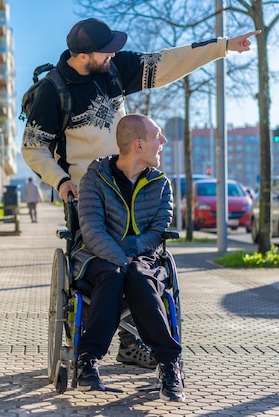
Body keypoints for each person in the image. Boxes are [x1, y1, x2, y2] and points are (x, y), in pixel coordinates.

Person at [21, 17, 259, 368]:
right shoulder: (53, 91)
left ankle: (132, 343)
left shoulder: (113, 69)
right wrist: (60, 180)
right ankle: (87, 337)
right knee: (103, 263)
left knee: (140, 259)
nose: (113, 54)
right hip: (89, 194)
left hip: (129, 185)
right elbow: (33, 147)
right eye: (107, 50)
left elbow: (165, 63)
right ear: (85, 55)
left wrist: (222, 47)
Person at [70, 113, 183, 401]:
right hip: (96, 257)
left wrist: (131, 252)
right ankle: (87, 361)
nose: (163, 141)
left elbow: (158, 230)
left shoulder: (161, 184)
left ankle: (170, 364)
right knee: (112, 274)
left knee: (139, 276)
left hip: (144, 259)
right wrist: (120, 259)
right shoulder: (95, 178)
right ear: (138, 145)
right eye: (157, 135)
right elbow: (92, 229)